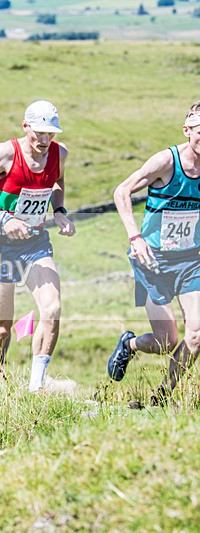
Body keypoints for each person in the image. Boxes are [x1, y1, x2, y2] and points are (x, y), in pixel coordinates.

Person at [0, 100, 75, 392]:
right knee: (1, 329)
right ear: (26, 127)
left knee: (52, 310)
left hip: (37, 245)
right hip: (0, 247)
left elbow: (58, 181)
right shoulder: (5, 153)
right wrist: (2, 220)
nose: (45, 140)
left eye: (51, 133)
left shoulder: (60, 153)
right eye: (39, 133)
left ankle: (36, 386)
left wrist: (59, 212)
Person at [108, 100, 200, 404]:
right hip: (152, 259)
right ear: (187, 130)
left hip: (190, 261)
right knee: (165, 342)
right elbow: (122, 191)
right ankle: (130, 344)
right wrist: (135, 237)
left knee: (196, 334)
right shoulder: (166, 161)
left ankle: (160, 398)